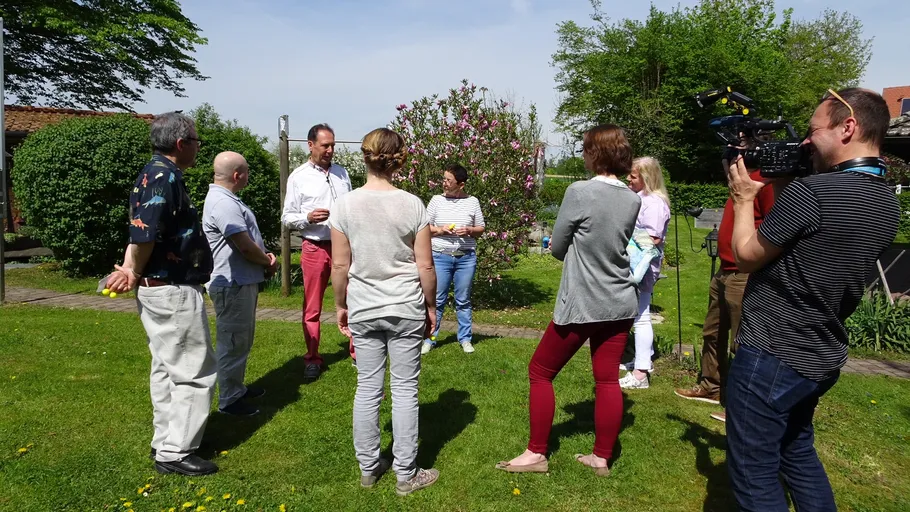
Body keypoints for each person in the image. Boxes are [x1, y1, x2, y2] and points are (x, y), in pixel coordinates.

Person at [724, 88, 900, 511]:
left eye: (812, 131)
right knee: (797, 451)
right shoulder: (885, 202)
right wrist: (787, 182)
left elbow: (747, 255)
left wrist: (744, 199)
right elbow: (810, 240)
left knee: (753, 471)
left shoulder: (815, 193)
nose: (804, 142)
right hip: (820, 351)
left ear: (848, 127)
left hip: (772, 352)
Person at [496, 124, 640, 476]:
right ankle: (601, 458)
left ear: (595, 153)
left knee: (540, 371)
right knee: (607, 379)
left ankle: (536, 453)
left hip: (583, 301)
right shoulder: (632, 198)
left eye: (585, 148)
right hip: (620, 300)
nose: (582, 154)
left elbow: (558, 246)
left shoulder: (579, 192)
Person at [329, 127, 440, 495]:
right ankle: (406, 475)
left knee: (367, 388)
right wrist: (430, 306)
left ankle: (369, 468)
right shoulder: (413, 205)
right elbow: (425, 266)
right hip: (406, 305)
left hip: (363, 306)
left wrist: (340, 304)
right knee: (405, 389)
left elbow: (340, 265)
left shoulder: (344, 205)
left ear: (365, 157)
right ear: (398, 160)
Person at [106, 112, 218, 476]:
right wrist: (133, 270)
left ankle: (166, 439)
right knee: (193, 370)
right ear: (181, 143)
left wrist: (129, 269)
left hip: (157, 289)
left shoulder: (151, 173)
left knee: (166, 367)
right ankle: (176, 451)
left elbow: (140, 230)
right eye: (196, 141)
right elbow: (144, 236)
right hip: (172, 289)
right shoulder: (165, 177)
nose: (198, 147)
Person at [674, 142, 775, 419]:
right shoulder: (739, 184)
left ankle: (741, 406)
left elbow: (773, 226)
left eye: (736, 150)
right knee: (712, 332)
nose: (730, 157)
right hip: (724, 270)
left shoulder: (763, 183)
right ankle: (711, 386)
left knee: (741, 341)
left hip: (745, 273)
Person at [202, 151, 277, 417]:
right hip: (232, 283)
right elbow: (243, 245)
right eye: (247, 171)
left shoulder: (226, 199)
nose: (248, 176)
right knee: (233, 342)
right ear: (237, 175)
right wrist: (267, 262)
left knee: (240, 340)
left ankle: (237, 387)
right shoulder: (224, 203)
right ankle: (229, 400)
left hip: (239, 281)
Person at [281, 123, 353, 381]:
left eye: (332, 145)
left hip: (344, 247)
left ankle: (357, 352)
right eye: (325, 145)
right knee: (312, 307)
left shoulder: (342, 173)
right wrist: (308, 218)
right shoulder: (298, 176)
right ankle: (312, 358)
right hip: (314, 246)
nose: (330, 150)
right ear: (310, 145)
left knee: (353, 300)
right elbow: (287, 217)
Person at [421, 163, 486, 355]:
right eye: (444, 179)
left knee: (463, 300)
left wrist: (470, 230)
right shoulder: (436, 201)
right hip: (440, 256)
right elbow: (424, 227)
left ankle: (465, 339)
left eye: (449, 180)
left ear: (461, 184)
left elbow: (481, 229)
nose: (444, 183)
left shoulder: (472, 202)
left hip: (465, 258)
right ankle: (430, 339)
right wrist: (440, 230)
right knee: (437, 300)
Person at [619, 156, 670, 389]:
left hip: (643, 267)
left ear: (647, 178)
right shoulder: (642, 198)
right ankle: (643, 360)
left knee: (641, 316)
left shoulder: (654, 203)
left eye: (633, 175)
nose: (628, 179)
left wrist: (624, 238)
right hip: (636, 264)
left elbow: (653, 238)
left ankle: (640, 374)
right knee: (637, 314)